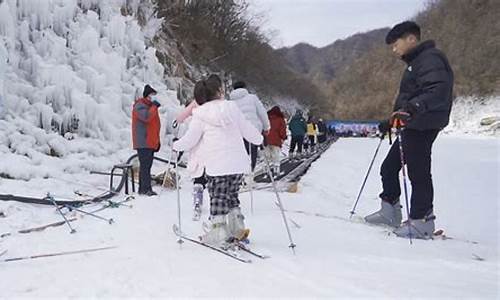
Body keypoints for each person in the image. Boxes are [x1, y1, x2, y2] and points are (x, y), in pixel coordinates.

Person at [365, 21, 454, 239]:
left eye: (396, 44)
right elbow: (410, 98)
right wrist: (392, 119)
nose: (394, 50)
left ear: (411, 39)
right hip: (413, 122)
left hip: (424, 123)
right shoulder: (416, 63)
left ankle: (422, 221)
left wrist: (413, 109)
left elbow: (438, 90)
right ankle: (390, 212)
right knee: (388, 167)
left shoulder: (430, 58)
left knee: (418, 171)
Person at [173, 75, 263, 246]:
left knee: (218, 197)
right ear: (219, 92)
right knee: (232, 195)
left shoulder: (200, 114)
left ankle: (219, 231)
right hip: (238, 164)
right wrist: (259, 139)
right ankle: (237, 227)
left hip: (217, 164)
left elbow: (191, 139)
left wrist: (176, 146)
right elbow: (247, 129)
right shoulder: (232, 108)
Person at [172, 95, 207, 220]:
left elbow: (183, 115)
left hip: (199, 149)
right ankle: (217, 206)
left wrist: (177, 121)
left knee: (199, 176)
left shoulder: (196, 105)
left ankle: (198, 201)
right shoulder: (216, 104)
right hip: (214, 149)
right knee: (212, 177)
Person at [229, 81, 270, 171]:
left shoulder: (230, 102)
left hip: (238, 132)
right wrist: (266, 127)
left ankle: (242, 174)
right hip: (253, 130)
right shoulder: (252, 98)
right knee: (253, 151)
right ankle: (250, 172)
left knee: (242, 153)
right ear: (245, 88)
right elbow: (262, 113)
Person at [132, 84, 161, 196]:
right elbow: (146, 117)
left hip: (149, 142)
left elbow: (154, 126)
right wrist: (154, 107)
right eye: (150, 96)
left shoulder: (149, 106)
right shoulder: (140, 106)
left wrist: (156, 141)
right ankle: (146, 189)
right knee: (145, 166)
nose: (152, 99)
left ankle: (143, 188)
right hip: (143, 142)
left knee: (147, 166)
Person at [264, 106, 287, 178]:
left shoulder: (266, 118)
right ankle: (276, 171)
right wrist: (283, 137)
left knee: (266, 156)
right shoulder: (280, 119)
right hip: (276, 140)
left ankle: (266, 171)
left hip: (266, 140)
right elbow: (282, 130)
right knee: (276, 156)